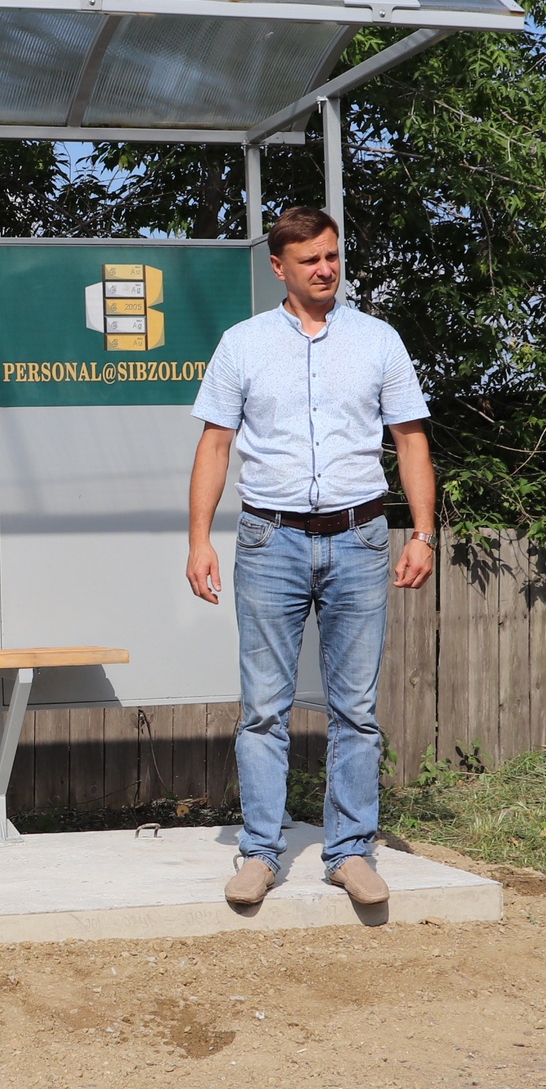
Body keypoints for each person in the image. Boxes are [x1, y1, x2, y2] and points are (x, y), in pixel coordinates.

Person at [186, 207, 437, 909]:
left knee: (355, 708)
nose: (326, 269)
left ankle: (350, 851)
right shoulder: (242, 344)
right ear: (279, 268)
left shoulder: (379, 341)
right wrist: (199, 538)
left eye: (332, 256)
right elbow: (214, 446)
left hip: (360, 538)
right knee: (264, 706)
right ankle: (260, 852)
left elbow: (411, 440)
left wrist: (422, 532)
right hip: (270, 539)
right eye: (311, 260)